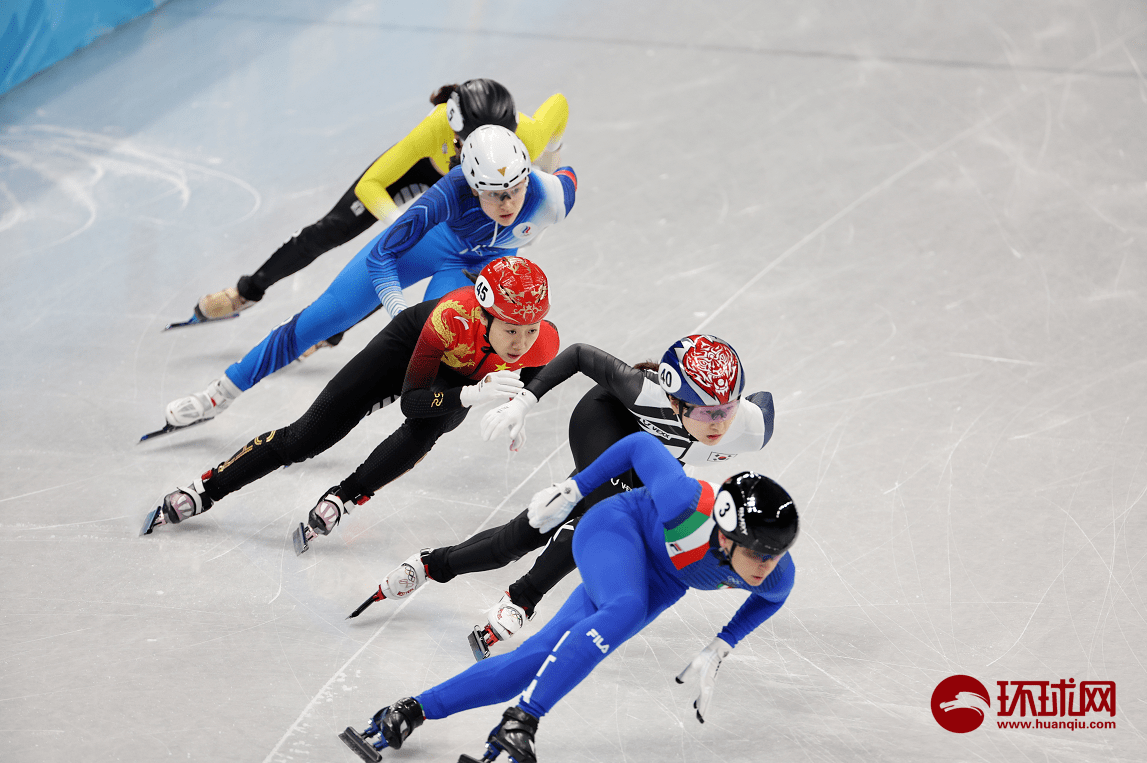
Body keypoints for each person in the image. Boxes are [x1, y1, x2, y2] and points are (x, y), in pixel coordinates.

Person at [337, 431, 798, 763]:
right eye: (758, 553)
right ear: (725, 534)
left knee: (535, 661)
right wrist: (574, 487)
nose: (766, 566)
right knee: (626, 608)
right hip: (617, 528)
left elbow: (772, 598)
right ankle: (524, 720)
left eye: (775, 555)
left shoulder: (773, 574)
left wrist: (724, 642)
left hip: (660, 581)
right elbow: (640, 447)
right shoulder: (683, 503)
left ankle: (409, 709)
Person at [368, 335, 774, 659]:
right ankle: (484, 583)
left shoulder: (749, 428)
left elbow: (763, 405)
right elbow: (579, 353)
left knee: (550, 530)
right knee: (581, 517)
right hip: (607, 422)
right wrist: (524, 403)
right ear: (672, 400)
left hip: (656, 457)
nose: (719, 423)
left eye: (727, 409)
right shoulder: (642, 393)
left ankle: (461, 574)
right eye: (705, 413)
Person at [159, 124, 577, 433]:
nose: (507, 203)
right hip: (432, 242)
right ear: (471, 185)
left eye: (514, 190)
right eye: (492, 193)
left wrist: (551, 146)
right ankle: (221, 393)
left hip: (477, 268)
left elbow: (558, 116)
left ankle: (372, 406)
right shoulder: (450, 191)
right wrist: (399, 310)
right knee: (320, 320)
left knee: (440, 347)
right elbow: (382, 258)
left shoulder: (552, 198)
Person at [141, 256, 560, 555]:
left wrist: (521, 403)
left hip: (457, 377)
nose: (521, 342)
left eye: (530, 329)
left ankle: (344, 497)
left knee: (433, 425)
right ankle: (205, 489)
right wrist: (473, 394)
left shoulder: (540, 340)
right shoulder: (450, 318)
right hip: (406, 350)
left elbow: (531, 370)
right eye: (510, 330)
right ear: (484, 316)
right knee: (304, 439)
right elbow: (412, 402)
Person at [189, 79, 566, 326]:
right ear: (452, 128)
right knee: (334, 228)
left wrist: (547, 167)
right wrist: (401, 222)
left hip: (478, 191)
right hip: (425, 171)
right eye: (468, 141)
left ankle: (331, 331)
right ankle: (248, 291)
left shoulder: (527, 137)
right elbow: (372, 184)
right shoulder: (434, 127)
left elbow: (559, 107)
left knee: (406, 262)